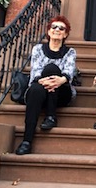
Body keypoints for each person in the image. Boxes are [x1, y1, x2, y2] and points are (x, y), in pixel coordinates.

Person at [15, 15, 77, 155]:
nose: (57, 30)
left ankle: (51, 115)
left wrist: (60, 80)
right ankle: (27, 140)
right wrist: (46, 80)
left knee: (51, 69)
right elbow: (36, 71)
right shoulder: (38, 49)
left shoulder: (70, 52)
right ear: (48, 32)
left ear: (65, 34)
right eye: (54, 27)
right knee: (36, 89)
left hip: (62, 92)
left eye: (61, 28)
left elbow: (68, 72)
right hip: (40, 88)